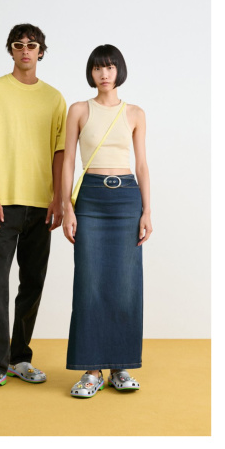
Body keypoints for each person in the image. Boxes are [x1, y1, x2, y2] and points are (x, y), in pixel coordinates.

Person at [0, 24, 67, 394]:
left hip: (41, 206)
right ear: (10, 50)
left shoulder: (54, 98)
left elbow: (60, 152)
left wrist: (58, 198)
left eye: (32, 45)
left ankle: (19, 357)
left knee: (32, 283)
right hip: (3, 204)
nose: (25, 50)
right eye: (19, 45)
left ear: (41, 52)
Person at [61, 44, 153, 398]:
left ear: (119, 71)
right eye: (98, 67)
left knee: (126, 284)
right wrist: (67, 208)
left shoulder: (135, 113)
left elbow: (141, 164)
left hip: (127, 198)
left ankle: (120, 367)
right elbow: (69, 160)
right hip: (90, 199)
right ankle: (91, 370)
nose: (104, 74)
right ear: (91, 72)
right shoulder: (78, 110)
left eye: (110, 67)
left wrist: (147, 210)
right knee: (89, 283)